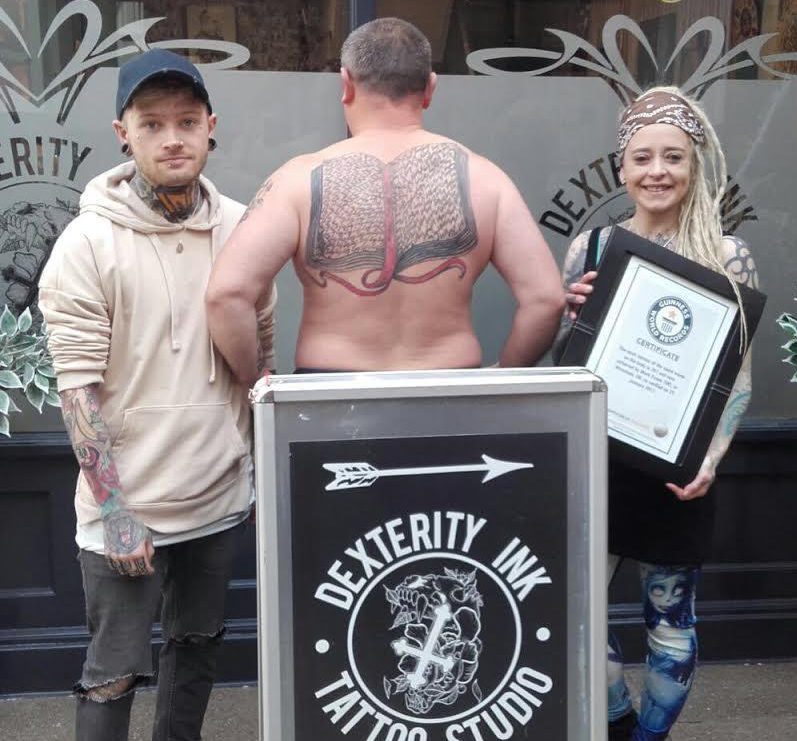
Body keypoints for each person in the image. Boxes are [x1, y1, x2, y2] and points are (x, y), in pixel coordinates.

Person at [38, 49, 275, 741]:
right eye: (152, 123)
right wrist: (115, 509)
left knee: (198, 646)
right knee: (112, 674)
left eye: (186, 120)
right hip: (127, 507)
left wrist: (255, 474)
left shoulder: (243, 230)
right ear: (123, 132)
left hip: (216, 493)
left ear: (210, 127)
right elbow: (76, 388)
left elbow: (258, 365)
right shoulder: (87, 243)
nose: (172, 136)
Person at [205, 17, 564, 383]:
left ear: (345, 83)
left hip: (330, 399)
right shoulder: (486, 179)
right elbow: (546, 300)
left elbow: (227, 295)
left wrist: (258, 384)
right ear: (430, 88)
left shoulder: (298, 180)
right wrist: (504, 378)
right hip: (451, 396)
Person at [559, 87, 758, 741]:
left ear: (694, 164)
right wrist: (573, 316)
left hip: (678, 467)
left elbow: (739, 381)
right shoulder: (591, 250)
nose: (657, 171)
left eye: (672, 156)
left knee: (669, 621)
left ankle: (650, 737)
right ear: (621, 167)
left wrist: (709, 457)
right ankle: (618, 721)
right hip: (599, 461)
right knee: (573, 609)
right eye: (641, 157)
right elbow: (570, 367)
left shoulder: (727, 257)